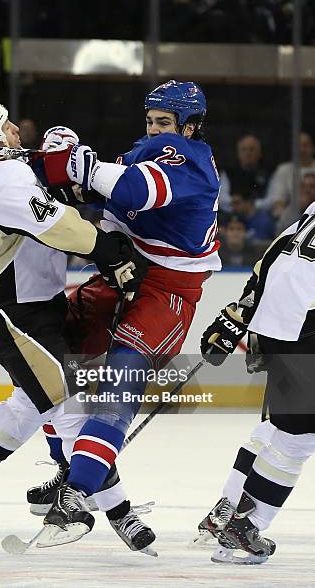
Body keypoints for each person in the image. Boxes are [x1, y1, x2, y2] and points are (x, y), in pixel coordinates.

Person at [0, 97, 149, 547]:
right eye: (5, 128)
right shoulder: (1, 183)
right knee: (67, 402)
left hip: (29, 302)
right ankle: (114, 509)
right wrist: (110, 254)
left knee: (32, 399)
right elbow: (59, 224)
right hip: (13, 311)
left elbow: (33, 188)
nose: (15, 131)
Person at [34, 80, 222, 547]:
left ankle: (78, 491)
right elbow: (100, 201)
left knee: (122, 378)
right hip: (129, 273)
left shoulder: (192, 163)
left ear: (190, 126)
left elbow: (134, 190)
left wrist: (82, 164)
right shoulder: (148, 149)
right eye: (151, 121)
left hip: (169, 289)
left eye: (165, 123)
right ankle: (74, 471)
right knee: (50, 359)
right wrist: (54, 167)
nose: (155, 131)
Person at [195, 201, 315, 564]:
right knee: (297, 438)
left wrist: (238, 315)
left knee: (278, 429)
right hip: (305, 333)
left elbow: (272, 260)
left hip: (284, 329)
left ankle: (228, 510)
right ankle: (242, 528)